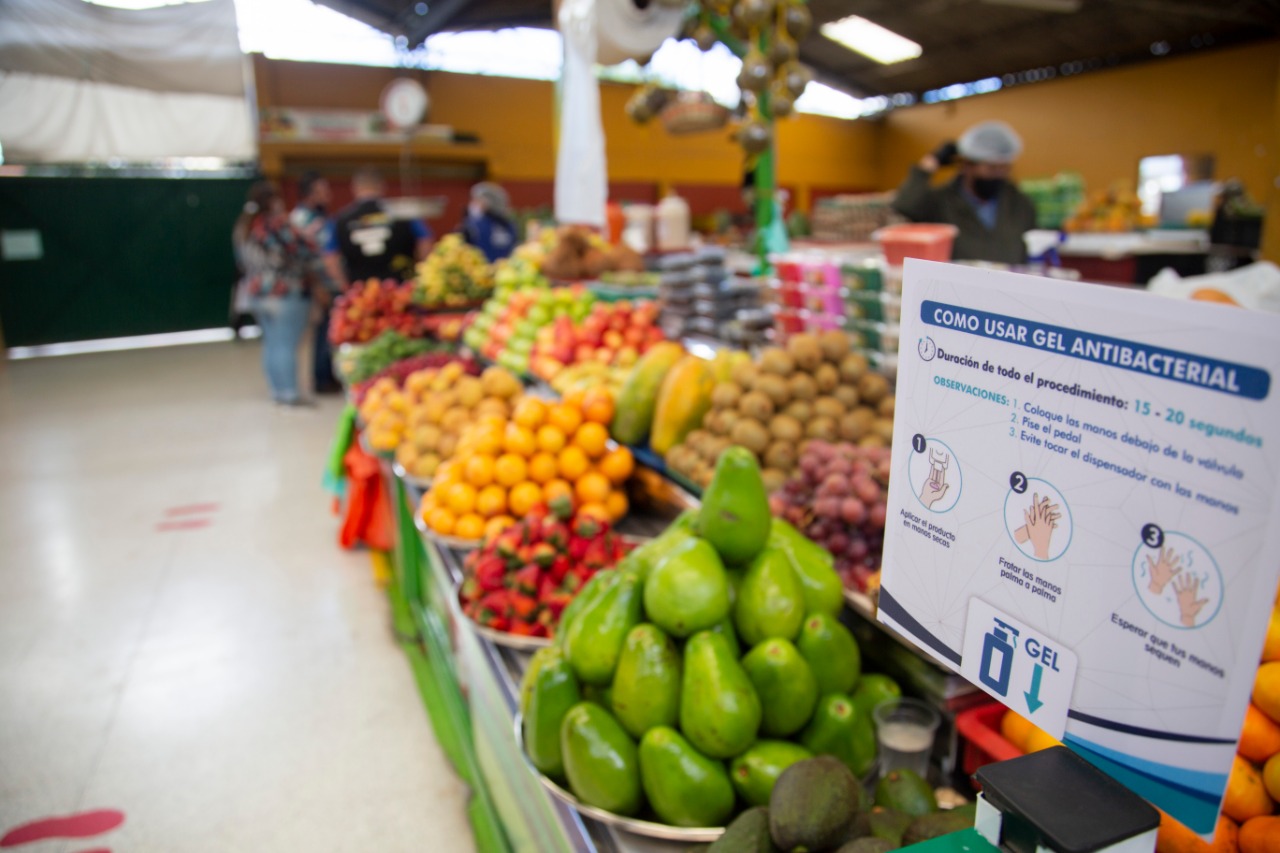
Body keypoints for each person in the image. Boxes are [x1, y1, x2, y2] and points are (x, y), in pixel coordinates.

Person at [233, 181, 326, 406]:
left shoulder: (244, 226)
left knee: (272, 344)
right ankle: (291, 394)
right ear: (275, 200)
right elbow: (306, 251)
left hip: (256, 292)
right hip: (285, 293)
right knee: (287, 345)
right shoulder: (278, 224)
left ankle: (278, 391)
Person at [892, 120, 1038, 265]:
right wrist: (929, 164)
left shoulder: (1019, 204)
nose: (999, 174)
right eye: (991, 168)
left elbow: (1032, 247)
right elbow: (905, 205)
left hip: (1008, 285)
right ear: (968, 165)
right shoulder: (942, 202)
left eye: (1004, 167)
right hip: (954, 285)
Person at [325, 167, 432, 286]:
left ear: (355, 188)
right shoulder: (405, 215)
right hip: (402, 291)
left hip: (361, 294)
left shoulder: (339, 220)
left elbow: (330, 258)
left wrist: (346, 287)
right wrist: (422, 278)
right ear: (382, 186)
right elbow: (425, 242)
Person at [291, 171, 341, 394]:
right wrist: (319, 286)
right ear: (310, 194)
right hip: (317, 285)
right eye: (323, 191)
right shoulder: (301, 220)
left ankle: (327, 375)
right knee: (320, 333)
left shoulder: (320, 218)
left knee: (328, 331)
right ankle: (321, 378)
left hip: (326, 284)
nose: (328, 195)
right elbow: (305, 258)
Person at [459, 182, 518, 262]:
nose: (472, 204)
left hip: (480, 272)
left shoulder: (474, 226)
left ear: (485, 203)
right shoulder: (509, 226)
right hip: (505, 271)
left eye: (476, 201)